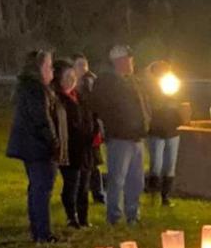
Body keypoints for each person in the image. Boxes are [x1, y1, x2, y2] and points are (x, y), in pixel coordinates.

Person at [6, 49, 64, 244]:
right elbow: (42, 120)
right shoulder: (36, 90)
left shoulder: (28, 88)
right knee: (41, 190)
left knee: (37, 189)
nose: (52, 71)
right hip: (37, 147)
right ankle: (43, 233)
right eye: (49, 66)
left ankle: (39, 231)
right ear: (39, 68)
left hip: (30, 145)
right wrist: (54, 143)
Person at [92, 44, 149, 226]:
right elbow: (100, 107)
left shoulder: (134, 81)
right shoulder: (107, 82)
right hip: (119, 138)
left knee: (136, 180)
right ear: (118, 61)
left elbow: (144, 105)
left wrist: (145, 122)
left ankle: (133, 213)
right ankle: (114, 216)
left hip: (136, 137)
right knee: (117, 179)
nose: (131, 62)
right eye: (127, 59)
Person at [52, 59, 95, 228]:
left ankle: (83, 218)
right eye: (67, 77)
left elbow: (89, 117)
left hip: (85, 148)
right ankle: (72, 217)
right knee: (72, 184)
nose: (71, 80)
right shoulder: (59, 101)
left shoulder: (80, 97)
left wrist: (93, 132)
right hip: (70, 149)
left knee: (84, 185)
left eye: (73, 76)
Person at [145, 59, 182, 206]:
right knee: (156, 164)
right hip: (156, 130)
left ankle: (165, 197)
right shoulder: (150, 88)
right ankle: (153, 194)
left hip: (172, 130)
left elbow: (179, 106)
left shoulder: (173, 84)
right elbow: (150, 107)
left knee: (170, 165)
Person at [73, 55, 104, 204]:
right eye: (79, 65)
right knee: (81, 165)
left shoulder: (91, 83)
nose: (83, 69)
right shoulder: (71, 87)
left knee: (94, 164)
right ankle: (78, 194)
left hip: (91, 130)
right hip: (78, 132)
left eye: (85, 65)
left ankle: (97, 194)